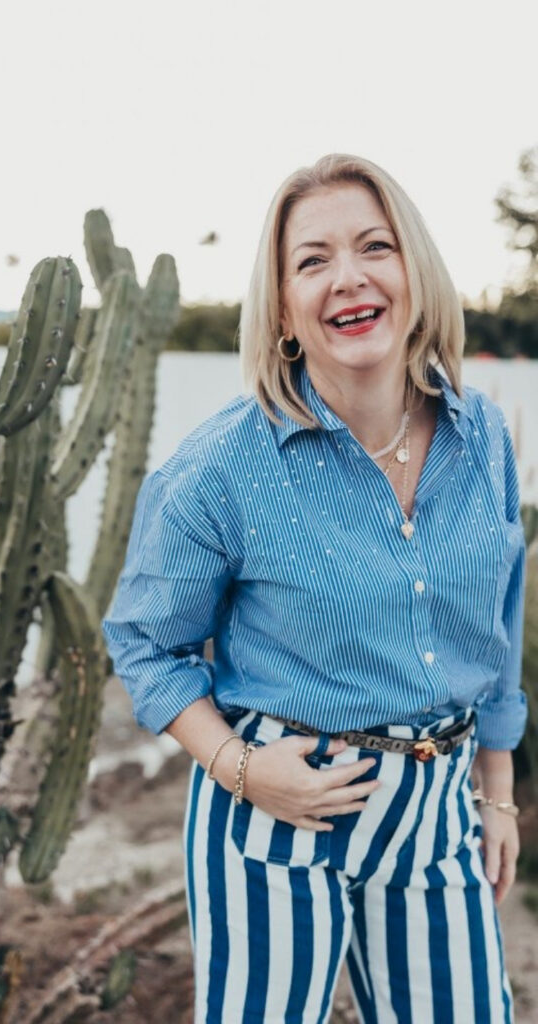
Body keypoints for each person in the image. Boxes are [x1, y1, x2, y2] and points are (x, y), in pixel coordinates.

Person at [103, 154, 527, 1024]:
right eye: (312, 260)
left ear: (415, 271)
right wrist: (243, 768)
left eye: (376, 246)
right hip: (277, 811)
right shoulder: (224, 469)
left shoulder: (482, 434)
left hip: (436, 814)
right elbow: (144, 641)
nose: (349, 278)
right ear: (286, 307)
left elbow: (499, 620)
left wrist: (496, 788)